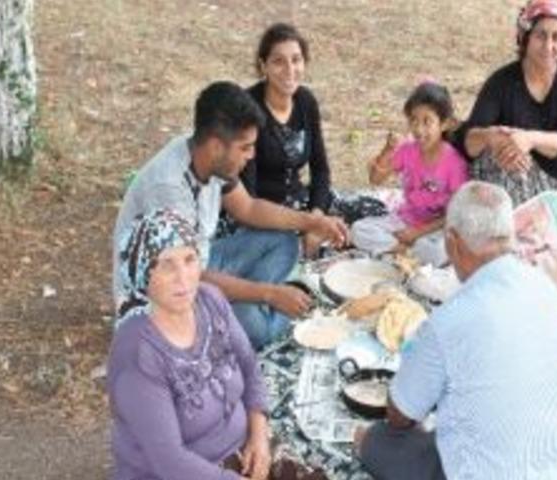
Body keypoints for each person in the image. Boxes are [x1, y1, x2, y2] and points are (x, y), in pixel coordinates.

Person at [356, 181, 557, 480]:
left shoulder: (449, 320)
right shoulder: (546, 288)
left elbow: (400, 415)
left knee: (375, 441)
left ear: (452, 241)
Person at [112, 81, 348, 350]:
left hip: (200, 261)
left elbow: (247, 208)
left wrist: (313, 221)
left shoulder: (204, 155)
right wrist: (268, 294)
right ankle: (253, 310)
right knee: (255, 330)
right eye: (245, 147)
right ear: (216, 146)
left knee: (285, 242)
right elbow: (190, 279)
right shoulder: (169, 190)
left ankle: (245, 303)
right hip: (166, 299)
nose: (252, 155)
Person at [453, 0, 557, 264]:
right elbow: (466, 142)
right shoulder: (502, 82)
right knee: (498, 153)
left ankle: (539, 244)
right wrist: (491, 137)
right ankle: (534, 242)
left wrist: (529, 139)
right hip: (515, 182)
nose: (549, 45)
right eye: (541, 35)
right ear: (525, 37)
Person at [108, 209, 271, 480]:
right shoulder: (138, 352)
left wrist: (259, 435)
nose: (183, 277)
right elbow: (170, 462)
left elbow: (250, 366)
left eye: (189, 259)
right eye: (167, 265)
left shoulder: (210, 301)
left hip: (238, 457)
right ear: (143, 273)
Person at [233, 23, 334, 257]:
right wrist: (307, 224)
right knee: (281, 253)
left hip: (301, 204)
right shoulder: (248, 108)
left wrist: (316, 219)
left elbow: (320, 169)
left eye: (296, 60)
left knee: (368, 213)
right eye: (279, 61)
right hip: (261, 213)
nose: (290, 70)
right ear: (263, 66)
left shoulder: (306, 101)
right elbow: (248, 196)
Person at [350, 81, 469, 267]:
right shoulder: (407, 150)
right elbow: (375, 179)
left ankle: (398, 252)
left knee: (436, 251)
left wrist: (417, 233)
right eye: (414, 120)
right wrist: (388, 150)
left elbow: (456, 213)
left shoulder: (454, 163)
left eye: (427, 121)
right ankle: (404, 253)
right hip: (405, 220)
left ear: (444, 124)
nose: (419, 129)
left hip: (436, 227)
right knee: (359, 229)